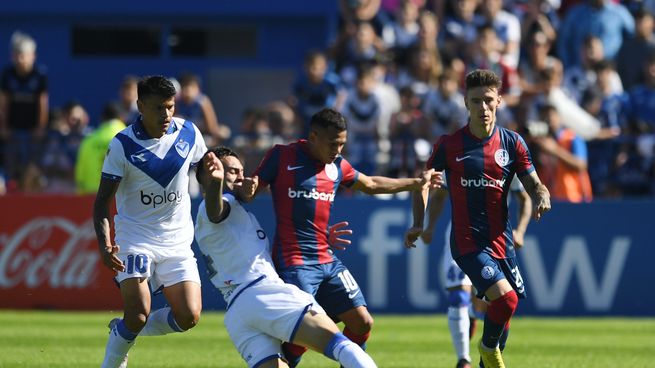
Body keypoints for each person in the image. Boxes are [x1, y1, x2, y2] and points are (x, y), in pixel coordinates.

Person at [246, 107, 441, 367]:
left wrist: (416, 183)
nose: (338, 150)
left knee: (362, 322)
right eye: (333, 144)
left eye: (342, 144)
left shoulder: (337, 166)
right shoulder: (282, 156)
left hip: (327, 259)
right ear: (313, 136)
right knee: (303, 331)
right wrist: (242, 187)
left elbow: (370, 185)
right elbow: (251, 191)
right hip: (295, 263)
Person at [405, 70, 551, 368]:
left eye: (488, 100)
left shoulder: (513, 144)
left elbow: (533, 183)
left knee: (503, 314)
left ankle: (487, 355)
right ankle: (479, 351)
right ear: (465, 103)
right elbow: (424, 184)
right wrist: (419, 222)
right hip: (467, 242)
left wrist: (542, 194)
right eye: (475, 101)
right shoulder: (449, 145)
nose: (482, 108)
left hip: (502, 242)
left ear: (499, 100)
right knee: (505, 301)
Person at [194, 146, 377, 368]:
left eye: (242, 171)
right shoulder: (214, 206)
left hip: (238, 312)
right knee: (340, 345)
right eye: (233, 171)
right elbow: (215, 210)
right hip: (263, 294)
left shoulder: (235, 214)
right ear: (208, 174)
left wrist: (319, 237)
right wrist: (216, 184)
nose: (242, 177)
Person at [94, 75, 207, 368]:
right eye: (158, 108)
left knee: (189, 316)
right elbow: (102, 202)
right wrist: (106, 244)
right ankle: (114, 358)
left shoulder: (190, 134)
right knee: (140, 312)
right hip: (135, 239)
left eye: (170, 107)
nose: (166, 114)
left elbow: (208, 171)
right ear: (140, 106)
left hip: (177, 241)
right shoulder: (122, 145)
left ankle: (124, 330)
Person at [419, 175, 532, 368]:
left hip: (496, 240)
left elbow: (524, 198)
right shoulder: (458, 152)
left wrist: (520, 231)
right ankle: (464, 360)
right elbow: (440, 195)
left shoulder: (505, 154)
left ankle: (473, 318)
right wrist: (428, 226)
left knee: (500, 303)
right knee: (458, 296)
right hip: (461, 235)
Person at [0, 31, 48, 190]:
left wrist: (40, 127)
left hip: (32, 132)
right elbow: (3, 102)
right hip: (13, 131)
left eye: (23, 54)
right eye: (16, 54)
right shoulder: (8, 75)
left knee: (32, 168)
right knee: (11, 166)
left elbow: (43, 102)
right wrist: (4, 126)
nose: (20, 59)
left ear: (32, 55)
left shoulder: (39, 75)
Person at [75, 103, 126, 194]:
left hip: (91, 196)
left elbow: (80, 176)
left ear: (102, 118)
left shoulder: (89, 140)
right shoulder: (129, 138)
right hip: (121, 197)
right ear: (122, 117)